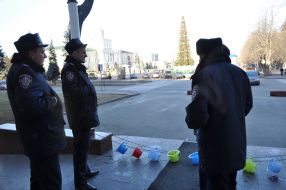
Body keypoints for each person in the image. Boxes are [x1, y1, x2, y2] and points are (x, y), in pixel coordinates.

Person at [185, 38, 253, 190]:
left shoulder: (203, 76)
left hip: (213, 149)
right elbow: (247, 105)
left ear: (205, 55)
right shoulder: (240, 74)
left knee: (214, 185)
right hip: (235, 145)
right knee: (230, 183)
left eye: (200, 56)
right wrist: (230, 117)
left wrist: (190, 117)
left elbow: (197, 118)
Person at [6, 33, 67, 190]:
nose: (45, 56)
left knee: (39, 181)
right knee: (51, 183)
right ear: (30, 53)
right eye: (41, 52)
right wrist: (53, 100)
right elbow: (32, 106)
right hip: (42, 140)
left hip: (40, 138)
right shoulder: (24, 73)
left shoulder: (29, 69)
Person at [61, 38, 100, 190]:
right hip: (80, 117)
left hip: (84, 115)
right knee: (80, 150)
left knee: (85, 146)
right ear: (75, 52)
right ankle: (80, 184)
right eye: (83, 52)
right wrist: (90, 91)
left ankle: (86, 171)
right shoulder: (70, 69)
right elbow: (72, 92)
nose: (85, 55)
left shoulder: (77, 67)